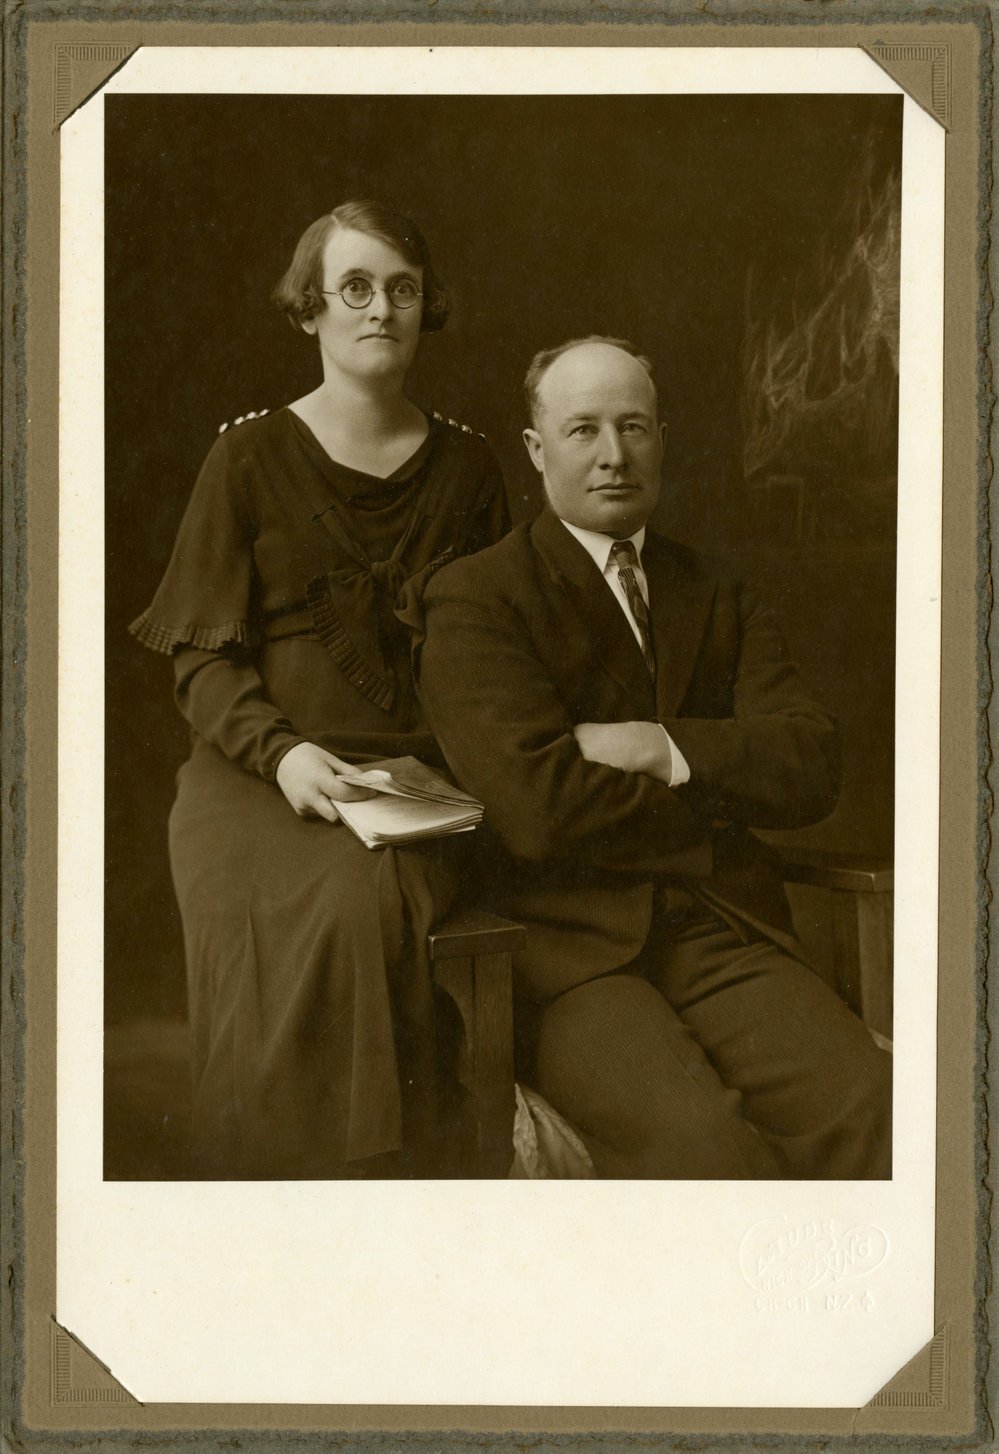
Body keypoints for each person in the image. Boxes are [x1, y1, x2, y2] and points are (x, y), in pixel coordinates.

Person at [417, 335, 891, 1179]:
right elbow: (535, 808)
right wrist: (714, 801)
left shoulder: (715, 586)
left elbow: (811, 759)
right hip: (571, 961)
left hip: (719, 931)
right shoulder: (478, 597)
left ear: (662, 439)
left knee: (874, 1110)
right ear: (535, 450)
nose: (613, 456)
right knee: (703, 1152)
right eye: (583, 430)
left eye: (633, 427)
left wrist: (661, 746)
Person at [130, 199, 508, 1178]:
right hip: (255, 780)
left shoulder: (471, 468)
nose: (379, 308)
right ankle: (269, 1185)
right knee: (291, 916)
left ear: (427, 307)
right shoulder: (246, 457)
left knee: (366, 894)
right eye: (354, 288)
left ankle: (369, 1180)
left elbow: (498, 659)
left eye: (402, 289)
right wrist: (285, 752)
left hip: (410, 782)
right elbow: (202, 658)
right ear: (310, 310)